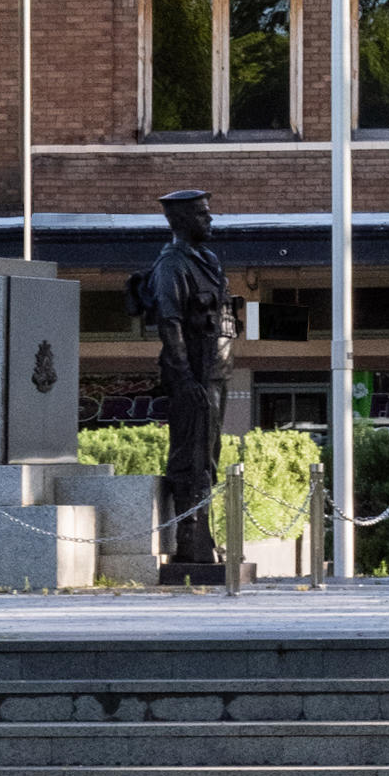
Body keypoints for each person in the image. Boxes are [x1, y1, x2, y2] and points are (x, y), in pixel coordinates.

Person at [135, 188, 234, 578]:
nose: (210, 220)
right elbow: (170, 325)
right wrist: (186, 377)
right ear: (179, 221)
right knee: (191, 458)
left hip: (216, 374)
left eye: (208, 213)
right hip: (194, 378)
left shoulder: (206, 260)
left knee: (209, 456)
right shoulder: (173, 265)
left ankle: (204, 535)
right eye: (202, 215)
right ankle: (190, 540)